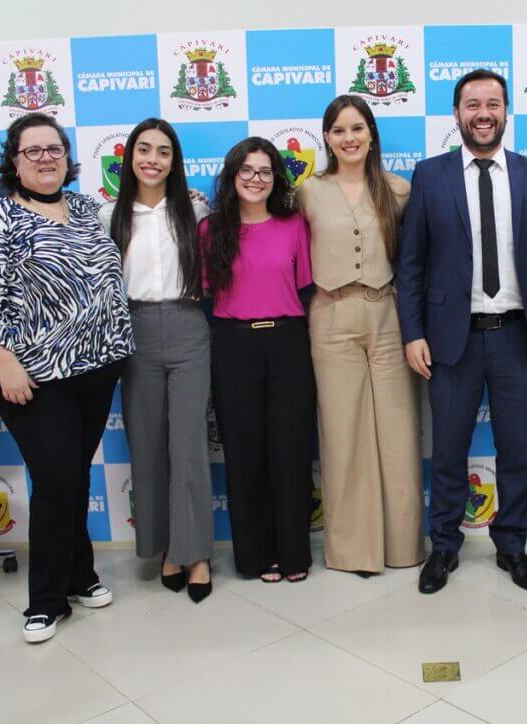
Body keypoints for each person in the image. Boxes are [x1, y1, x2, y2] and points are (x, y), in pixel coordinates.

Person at [0, 112, 134, 643]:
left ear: (66, 155)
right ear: (13, 161)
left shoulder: (84, 209)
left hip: (96, 367)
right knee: (57, 480)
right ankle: (46, 601)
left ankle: (81, 576)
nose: (45, 159)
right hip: (30, 376)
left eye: (53, 149)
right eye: (32, 151)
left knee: (73, 475)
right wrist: (4, 362)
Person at [397, 69, 527, 594]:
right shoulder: (431, 175)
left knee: (517, 450)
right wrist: (413, 332)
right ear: (456, 114)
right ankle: (443, 546)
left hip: (518, 336)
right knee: (448, 449)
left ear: (507, 111)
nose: (483, 113)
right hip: (453, 339)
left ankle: (512, 545)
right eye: (472, 104)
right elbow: (412, 265)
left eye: (493, 103)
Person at [296, 96, 424, 576]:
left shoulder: (399, 189)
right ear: (326, 138)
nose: (348, 138)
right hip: (330, 315)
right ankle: (353, 551)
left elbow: (416, 262)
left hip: (388, 314)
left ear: (371, 133)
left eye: (357, 128)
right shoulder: (308, 192)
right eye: (338, 130)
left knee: (397, 433)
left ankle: (403, 546)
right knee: (342, 433)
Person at [98, 118, 213, 603]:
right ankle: (167, 547)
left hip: (189, 327)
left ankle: (198, 554)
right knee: (148, 447)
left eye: (163, 152)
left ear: (174, 160)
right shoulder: (109, 215)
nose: (152, 159)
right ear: (130, 158)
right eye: (143, 150)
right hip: (135, 332)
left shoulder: (195, 206)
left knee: (188, 446)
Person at [202, 137, 314, 583]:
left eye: (265, 171)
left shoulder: (293, 225)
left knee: (291, 451)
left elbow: (305, 284)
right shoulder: (211, 230)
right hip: (234, 345)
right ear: (232, 177)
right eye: (246, 171)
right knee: (245, 455)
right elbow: (206, 292)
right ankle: (254, 556)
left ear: (276, 179)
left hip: (288, 343)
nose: (255, 179)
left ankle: (294, 554)